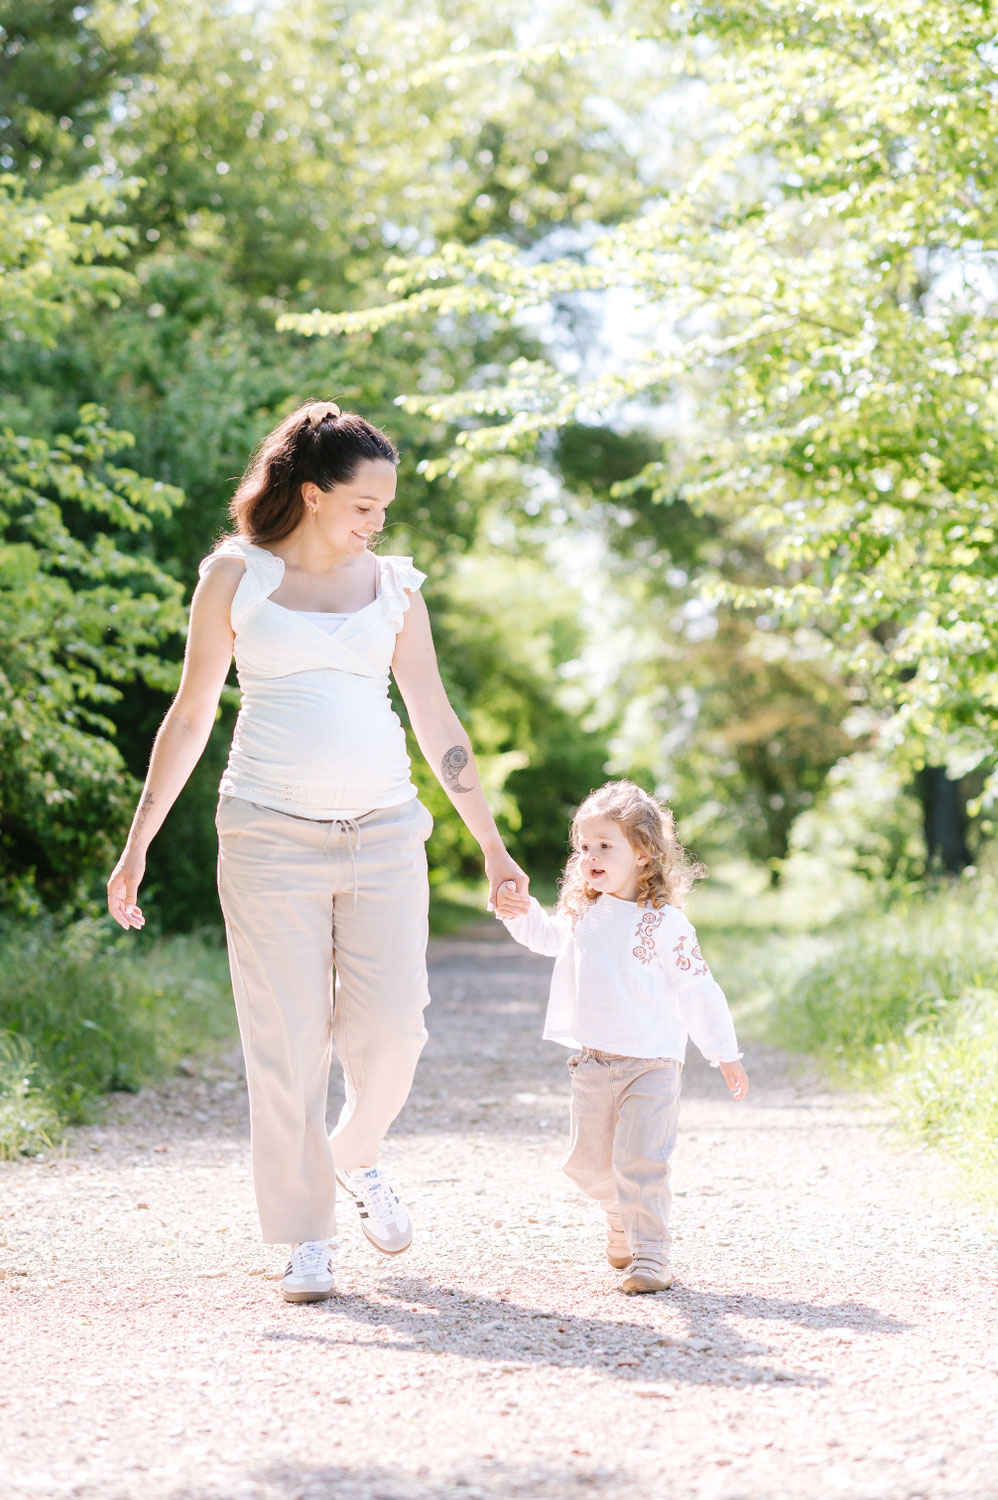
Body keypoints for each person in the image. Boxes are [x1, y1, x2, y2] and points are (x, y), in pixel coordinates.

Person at [107, 399, 526, 1304]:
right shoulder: (236, 577)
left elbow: (435, 718)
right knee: (286, 1045)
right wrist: (139, 842)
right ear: (311, 493)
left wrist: (491, 845)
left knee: (394, 1031)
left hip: (384, 833)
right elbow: (189, 719)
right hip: (264, 834)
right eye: (364, 506)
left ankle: (354, 1155)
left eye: (384, 509)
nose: (378, 523)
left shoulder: (395, 589)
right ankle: (304, 1236)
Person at [495, 779, 747, 1294]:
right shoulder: (583, 912)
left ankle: (651, 1256)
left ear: (644, 854)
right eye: (584, 846)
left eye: (605, 845)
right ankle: (616, 1213)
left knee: (641, 1162)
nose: (590, 856)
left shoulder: (665, 923)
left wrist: (724, 1052)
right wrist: (519, 915)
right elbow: (546, 939)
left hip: (651, 1064)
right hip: (593, 1062)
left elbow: (697, 987)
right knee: (589, 1166)